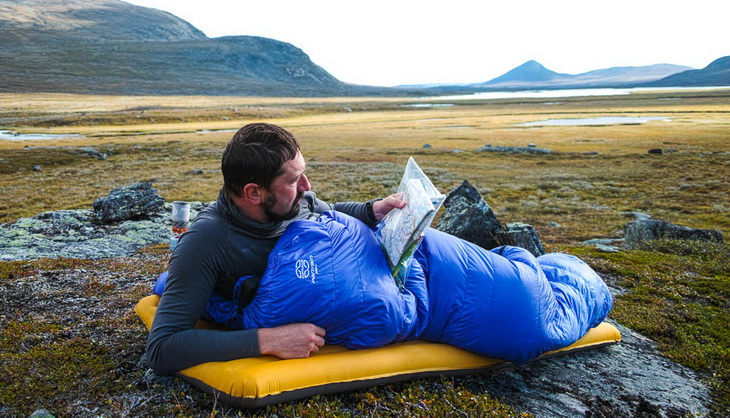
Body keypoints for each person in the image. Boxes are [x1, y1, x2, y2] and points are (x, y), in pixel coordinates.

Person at [146, 123, 405, 376]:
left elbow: (330, 209)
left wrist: (373, 210)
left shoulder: (293, 202)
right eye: (293, 180)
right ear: (253, 193)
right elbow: (163, 349)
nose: (306, 186)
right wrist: (268, 340)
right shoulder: (206, 241)